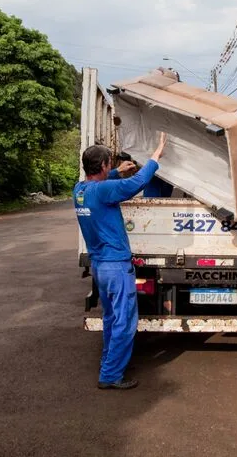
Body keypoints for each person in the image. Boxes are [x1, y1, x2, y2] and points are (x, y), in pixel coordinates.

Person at [74, 132, 168, 389]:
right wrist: (156, 156)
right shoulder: (104, 191)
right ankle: (111, 375)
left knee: (111, 318)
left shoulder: (80, 191)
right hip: (116, 266)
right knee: (125, 321)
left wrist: (117, 171)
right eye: (109, 165)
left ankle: (108, 365)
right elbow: (136, 182)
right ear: (103, 166)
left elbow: (104, 185)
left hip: (101, 266)